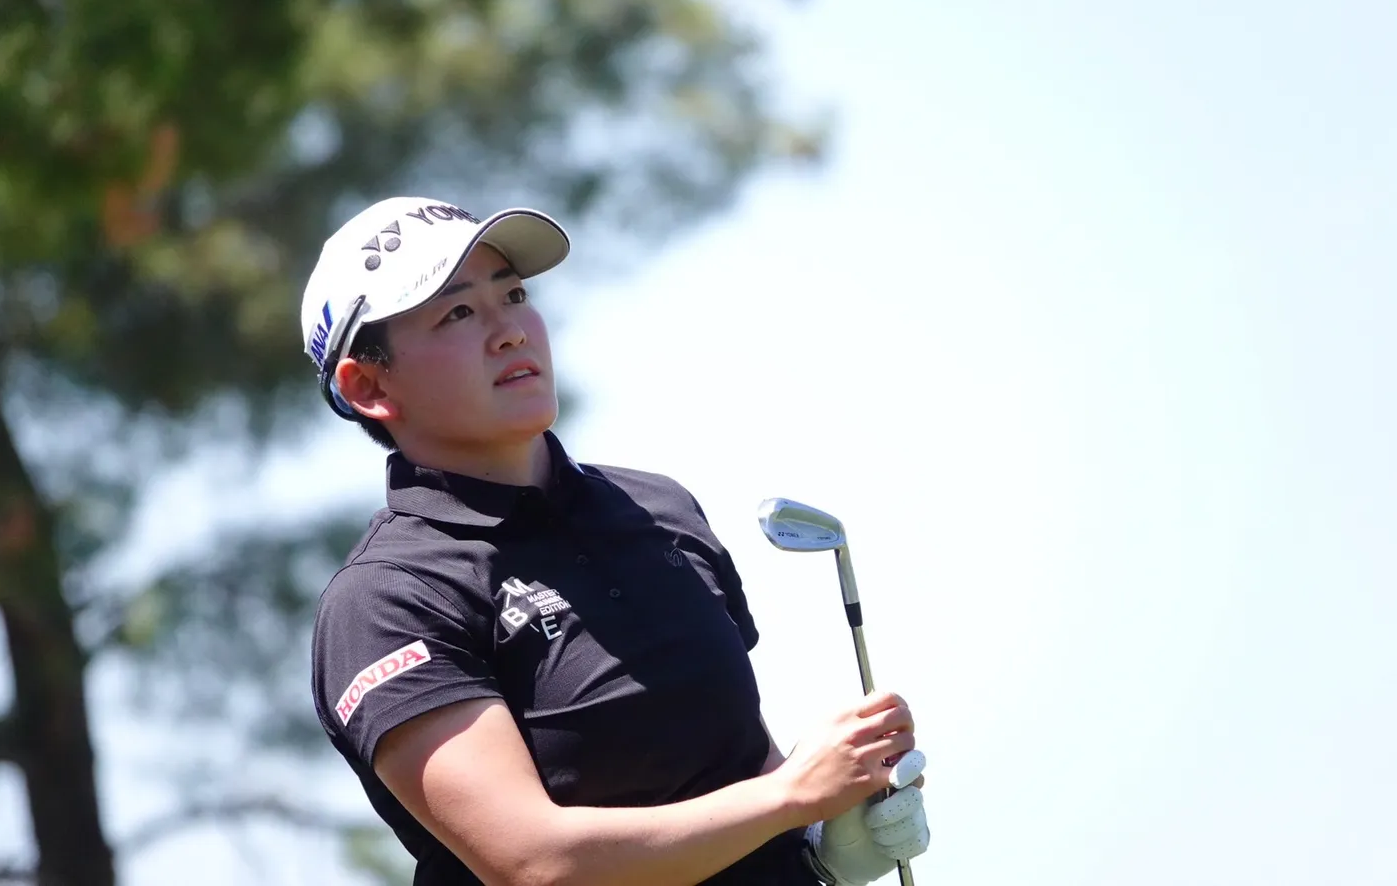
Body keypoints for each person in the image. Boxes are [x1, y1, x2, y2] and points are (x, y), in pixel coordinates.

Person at [302, 196, 932, 886]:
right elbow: (535, 864)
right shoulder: (386, 599)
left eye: (512, 295)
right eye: (458, 313)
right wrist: (793, 797)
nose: (509, 332)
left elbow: (740, 764)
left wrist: (823, 841)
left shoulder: (658, 507)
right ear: (368, 385)